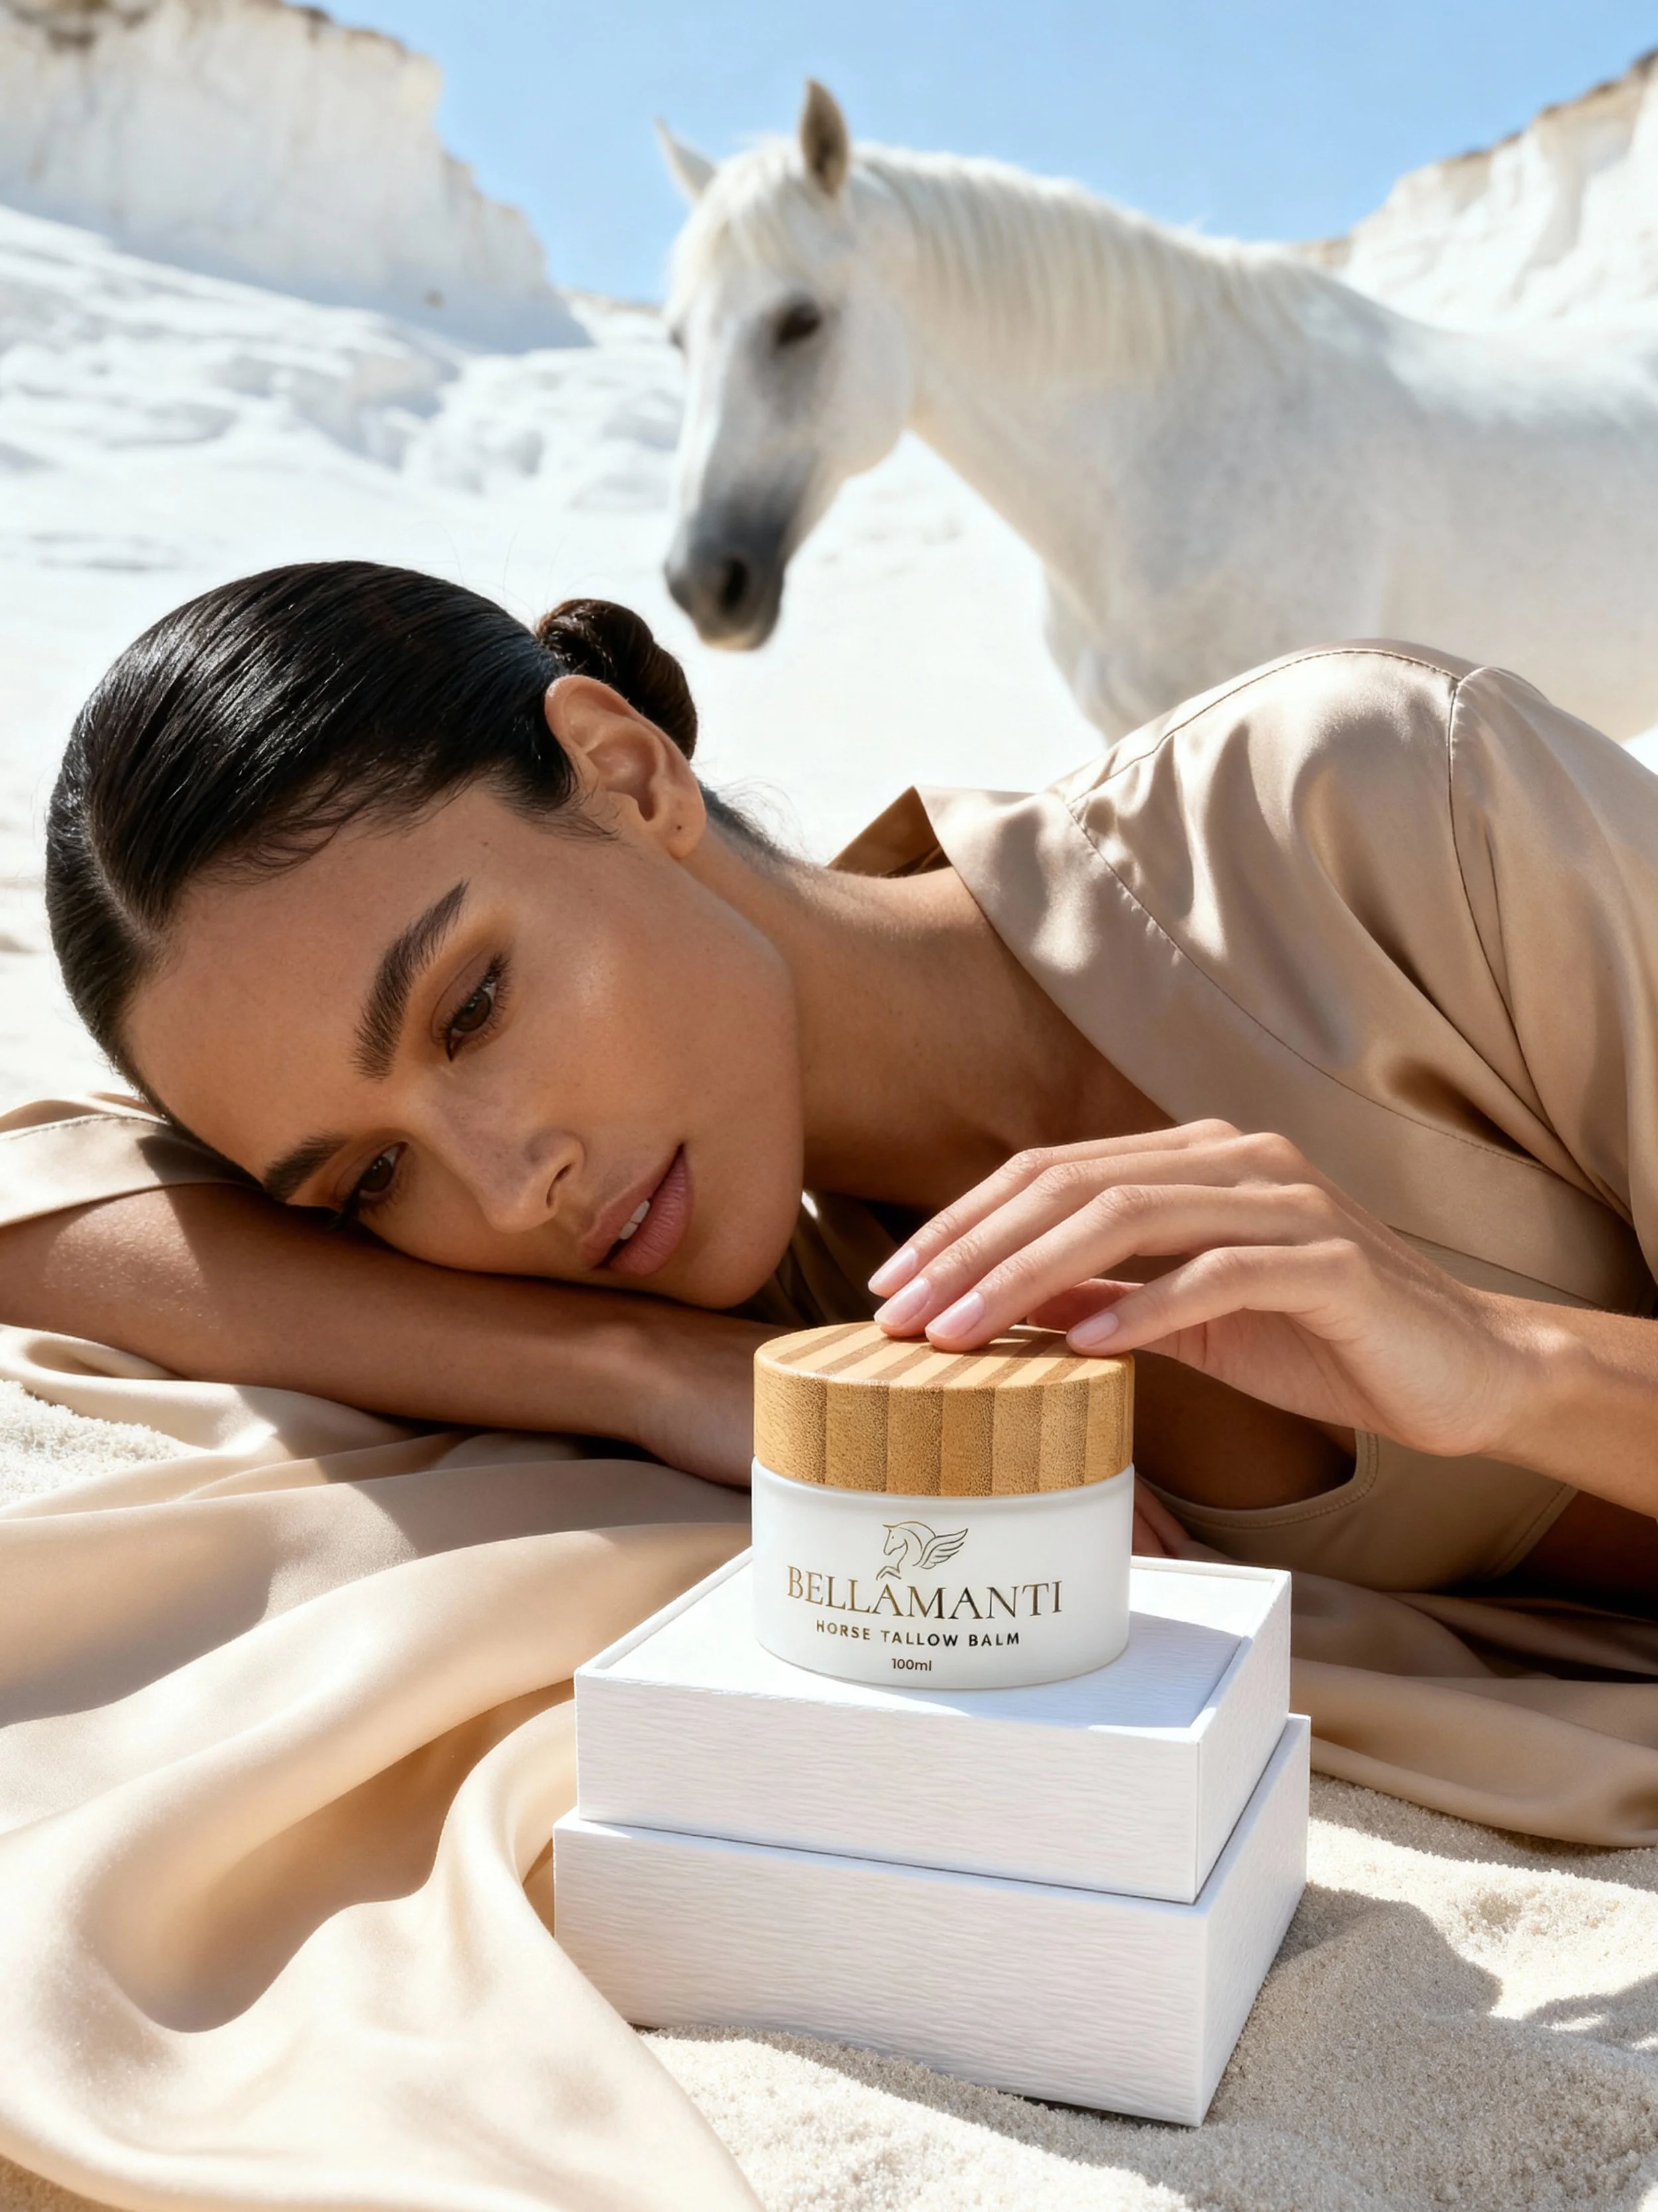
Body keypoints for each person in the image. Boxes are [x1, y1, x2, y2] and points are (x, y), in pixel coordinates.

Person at [7, 558, 1658, 1841]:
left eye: (472, 1005)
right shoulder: (787, 1313)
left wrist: (1494, 1359)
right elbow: (42, 1193)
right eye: (369, 1174)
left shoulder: (1361, 812)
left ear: (627, 773)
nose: (512, 1189)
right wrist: (637, 1375)